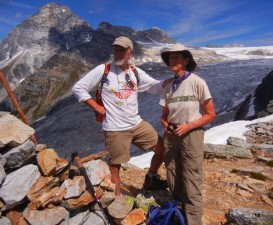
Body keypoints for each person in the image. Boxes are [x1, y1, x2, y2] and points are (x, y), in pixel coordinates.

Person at [72, 36, 168, 196]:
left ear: (130, 52)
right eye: (115, 49)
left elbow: (154, 86)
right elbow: (78, 88)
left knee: (163, 149)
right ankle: (117, 201)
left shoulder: (135, 72)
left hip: (137, 124)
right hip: (115, 128)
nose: (117, 52)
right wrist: (96, 106)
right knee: (115, 168)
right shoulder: (103, 70)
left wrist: (174, 81)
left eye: (122, 50)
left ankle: (151, 178)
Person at [159, 43, 215, 225]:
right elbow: (164, 116)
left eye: (176, 57)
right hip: (172, 135)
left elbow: (210, 114)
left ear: (186, 60)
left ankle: (193, 221)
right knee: (173, 174)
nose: (172, 60)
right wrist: (166, 125)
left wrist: (188, 127)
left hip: (191, 134)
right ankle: (177, 214)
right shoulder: (169, 87)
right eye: (170, 58)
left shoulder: (197, 82)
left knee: (191, 177)